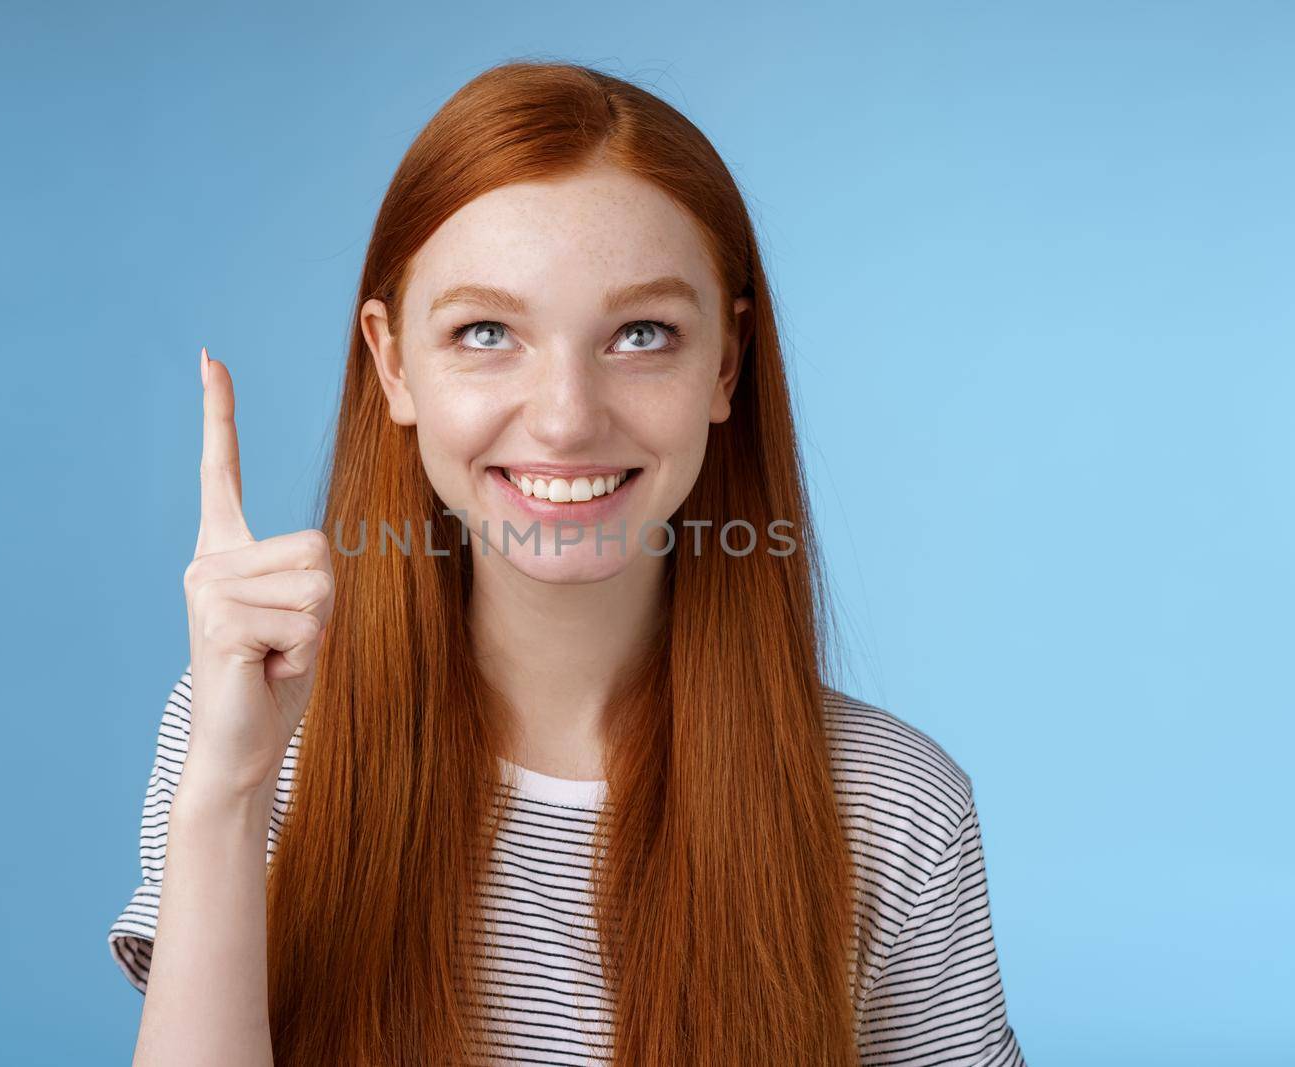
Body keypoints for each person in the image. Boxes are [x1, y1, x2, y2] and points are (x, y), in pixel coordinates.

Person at [107, 60, 1027, 1067]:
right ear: (392, 362)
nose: (564, 417)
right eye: (486, 332)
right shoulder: (251, 735)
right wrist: (227, 792)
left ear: (725, 363)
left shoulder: (892, 806)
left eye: (641, 334)